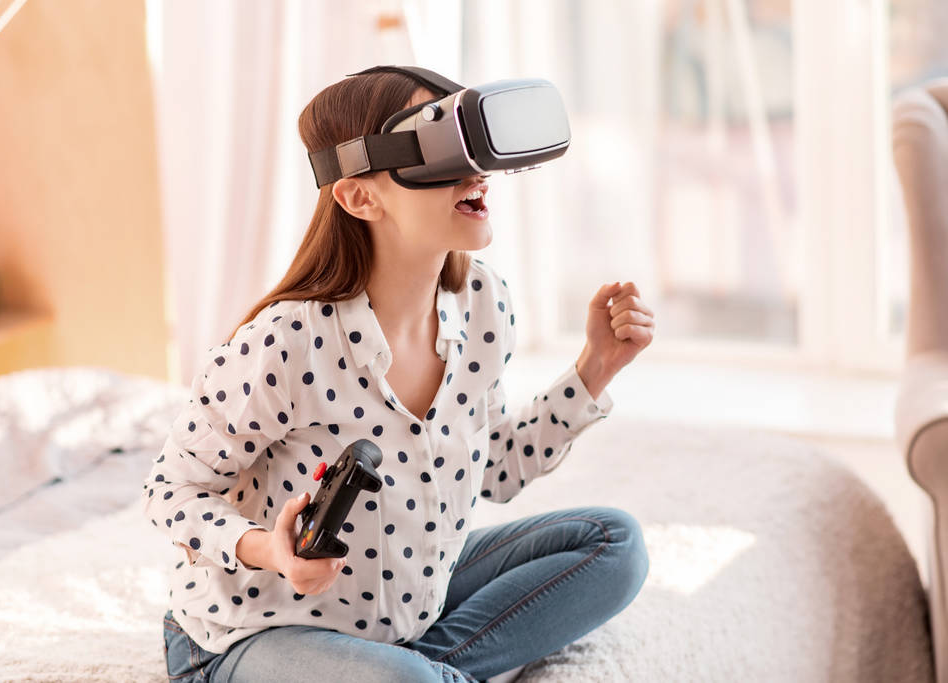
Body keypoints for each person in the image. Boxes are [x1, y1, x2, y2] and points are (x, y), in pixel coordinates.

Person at [145, 67, 655, 683]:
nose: (475, 173)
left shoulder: (484, 302)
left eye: (471, 145)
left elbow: (493, 470)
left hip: (416, 606)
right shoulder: (289, 341)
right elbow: (170, 490)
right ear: (360, 196)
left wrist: (597, 366)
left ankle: (413, 672)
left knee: (613, 543)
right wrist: (269, 550)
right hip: (257, 631)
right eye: (438, 148)